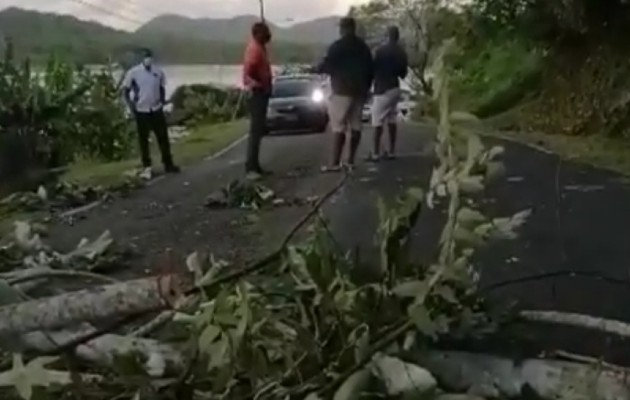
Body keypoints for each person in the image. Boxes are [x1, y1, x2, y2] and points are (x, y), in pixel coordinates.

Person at [314, 17, 373, 172]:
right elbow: (370, 70)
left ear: (343, 29)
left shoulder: (336, 47)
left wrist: (318, 67)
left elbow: (325, 66)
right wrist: (367, 88)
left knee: (339, 126)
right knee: (356, 125)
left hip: (341, 91)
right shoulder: (363, 47)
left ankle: (335, 163)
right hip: (359, 92)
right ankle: (351, 160)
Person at [122, 48, 179, 177]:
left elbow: (162, 87)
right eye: (145, 56)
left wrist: (163, 101)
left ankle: (168, 163)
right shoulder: (134, 73)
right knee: (143, 140)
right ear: (142, 58)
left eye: (149, 56)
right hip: (141, 110)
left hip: (156, 109)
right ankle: (147, 165)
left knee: (163, 137)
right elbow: (126, 91)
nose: (148, 59)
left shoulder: (158, 72)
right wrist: (131, 106)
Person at [367, 26, 408, 161]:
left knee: (377, 121)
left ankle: (375, 153)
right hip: (395, 88)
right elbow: (403, 73)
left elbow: (371, 68)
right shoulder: (401, 52)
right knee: (391, 119)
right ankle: (391, 151)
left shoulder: (379, 51)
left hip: (382, 88)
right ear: (397, 36)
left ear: (386, 35)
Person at [242, 21, 273, 181]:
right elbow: (248, 72)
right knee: (255, 131)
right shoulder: (254, 49)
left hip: (261, 92)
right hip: (257, 93)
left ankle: (255, 165)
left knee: (259, 130)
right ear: (258, 34)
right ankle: (250, 167)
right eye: (265, 32)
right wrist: (259, 84)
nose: (268, 35)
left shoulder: (260, 48)